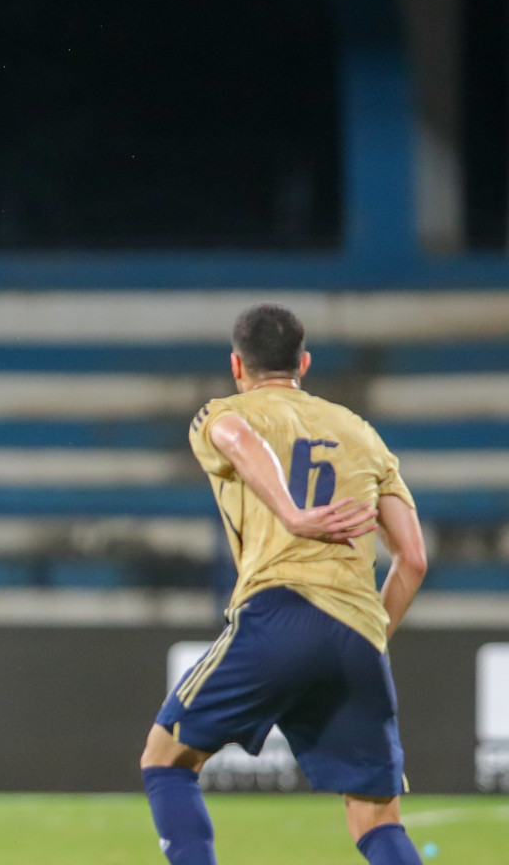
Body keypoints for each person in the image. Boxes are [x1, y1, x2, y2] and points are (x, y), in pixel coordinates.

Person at [141, 304, 428, 865]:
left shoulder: (223, 411)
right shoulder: (361, 433)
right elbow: (413, 559)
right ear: (304, 362)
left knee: (166, 759)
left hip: (279, 611)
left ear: (236, 365)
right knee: (375, 815)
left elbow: (236, 436)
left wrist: (294, 516)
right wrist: (373, 632)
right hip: (358, 635)